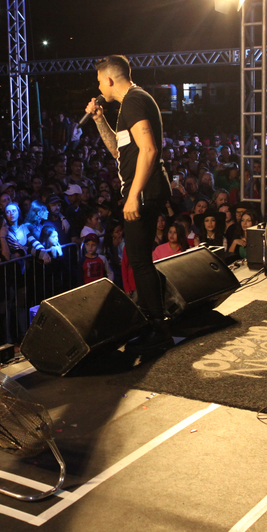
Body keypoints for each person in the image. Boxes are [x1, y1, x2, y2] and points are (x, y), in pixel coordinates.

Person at [84, 55, 172, 351]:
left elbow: (149, 149)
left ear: (109, 79)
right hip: (142, 190)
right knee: (139, 258)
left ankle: (158, 326)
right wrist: (99, 120)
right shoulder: (129, 105)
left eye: (99, 81)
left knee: (139, 260)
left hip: (144, 191)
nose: (99, 87)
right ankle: (155, 319)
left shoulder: (134, 101)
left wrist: (133, 195)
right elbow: (119, 152)